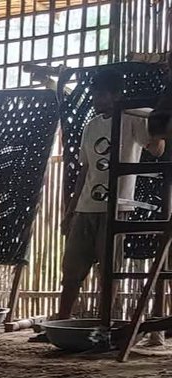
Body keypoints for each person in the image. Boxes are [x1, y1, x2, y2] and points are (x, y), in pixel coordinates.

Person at [47, 69, 165, 338]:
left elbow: (156, 149)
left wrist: (157, 123)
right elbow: (85, 173)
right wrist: (70, 210)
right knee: (72, 271)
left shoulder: (134, 118)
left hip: (117, 209)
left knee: (108, 273)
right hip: (86, 208)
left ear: (116, 95)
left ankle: (104, 327)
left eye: (103, 94)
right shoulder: (92, 125)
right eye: (96, 94)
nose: (98, 99)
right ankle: (61, 324)